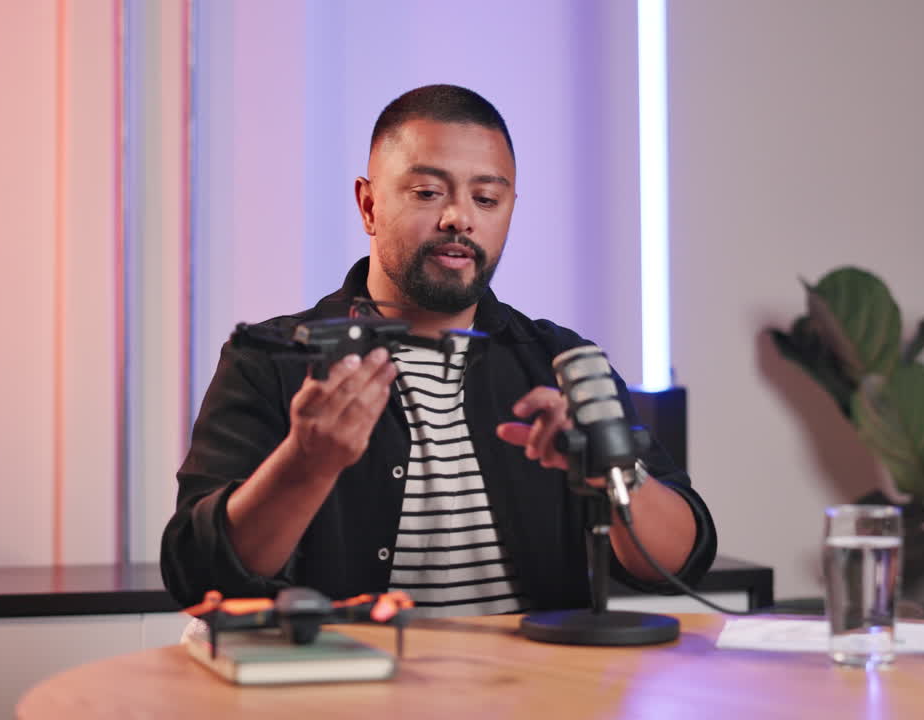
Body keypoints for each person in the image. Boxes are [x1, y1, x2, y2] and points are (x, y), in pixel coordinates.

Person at [160, 84, 717, 616]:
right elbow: (197, 574)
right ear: (369, 204)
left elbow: (680, 561)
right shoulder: (272, 361)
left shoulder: (559, 364)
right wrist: (305, 464)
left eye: (487, 197)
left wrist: (610, 475)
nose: (460, 217)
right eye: (428, 193)